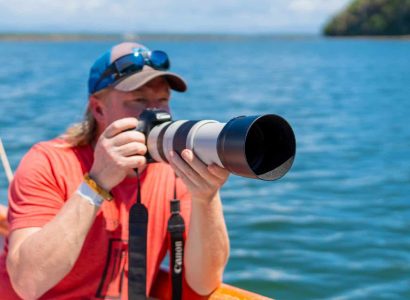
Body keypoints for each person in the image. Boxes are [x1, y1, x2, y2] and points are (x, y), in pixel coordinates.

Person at [0, 42, 230, 299]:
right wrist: (96, 182)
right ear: (98, 108)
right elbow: (26, 284)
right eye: (139, 100)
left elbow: (204, 284)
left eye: (162, 99)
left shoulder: (174, 173)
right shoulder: (50, 162)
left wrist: (206, 197)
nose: (155, 112)